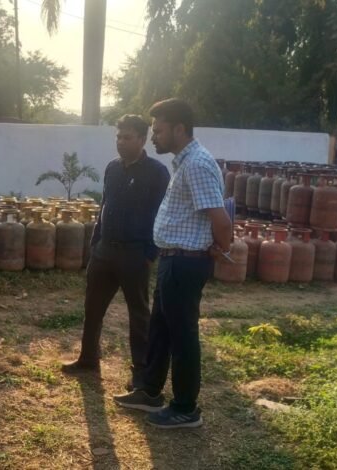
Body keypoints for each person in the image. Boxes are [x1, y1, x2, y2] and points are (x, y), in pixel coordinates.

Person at [113, 99, 232, 429]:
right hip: (173, 260)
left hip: (185, 262)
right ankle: (150, 392)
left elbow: (220, 219)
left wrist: (222, 247)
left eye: (159, 130)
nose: (153, 137)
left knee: (182, 336)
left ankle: (185, 407)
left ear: (180, 129)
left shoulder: (197, 164)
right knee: (161, 331)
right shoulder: (185, 162)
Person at [62, 115, 170, 391]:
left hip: (135, 254)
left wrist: (150, 253)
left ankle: (141, 371)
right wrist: (96, 242)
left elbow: (161, 214)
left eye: (127, 137)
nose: (121, 142)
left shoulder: (157, 173)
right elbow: (105, 206)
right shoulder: (112, 168)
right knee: (92, 307)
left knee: (138, 314)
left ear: (142, 140)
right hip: (105, 251)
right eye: (118, 137)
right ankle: (88, 358)